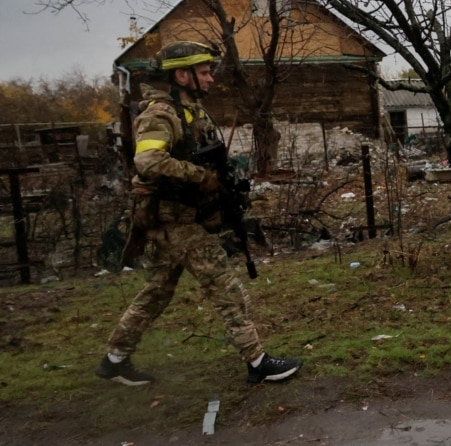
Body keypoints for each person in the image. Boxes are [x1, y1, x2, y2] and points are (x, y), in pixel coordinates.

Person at [95, 41, 301, 386]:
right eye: (204, 72)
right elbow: (147, 161)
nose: (210, 79)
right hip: (177, 224)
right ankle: (257, 362)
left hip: (178, 222)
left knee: (156, 294)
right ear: (182, 75)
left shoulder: (190, 111)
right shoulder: (161, 114)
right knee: (226, 289)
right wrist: (200, 177)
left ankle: (115, 359)